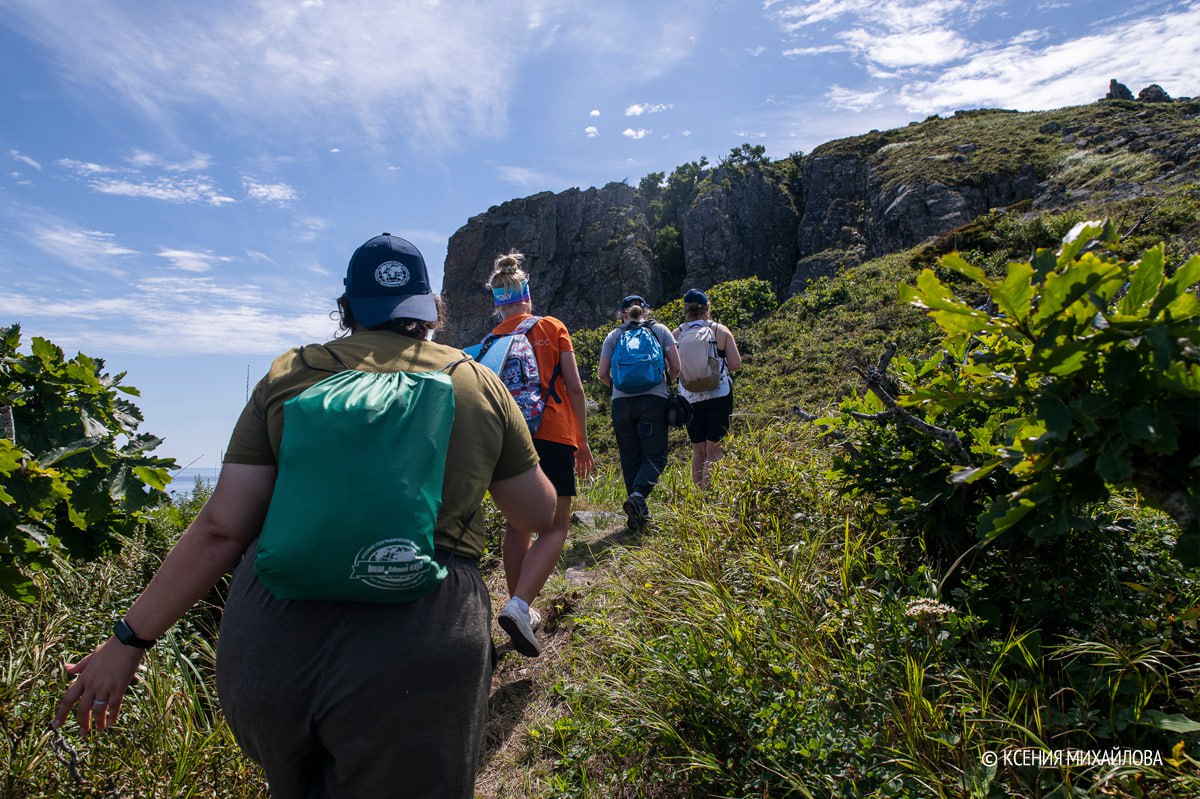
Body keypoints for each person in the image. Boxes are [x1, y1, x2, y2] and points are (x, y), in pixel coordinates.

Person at [53, 233, 557, 799]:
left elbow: (222, 528)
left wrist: (128, 641)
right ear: (430, 311)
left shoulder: (288, 374)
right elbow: (535, 511)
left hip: (271, 644)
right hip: (419, 646)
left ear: (347, 309)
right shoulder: (476, 382)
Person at [481, 251, 595, 658]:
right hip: (552, 434)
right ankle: (520, 605)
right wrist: (581, 440)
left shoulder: (493, 340)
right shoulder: (551, 327)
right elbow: (576, 388)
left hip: (505, 441)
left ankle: (519, 606)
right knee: (556, 525)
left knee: (518, 525)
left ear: (498, 299)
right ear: (527, 293)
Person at [598, 294, 680, 532]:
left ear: (622, 314)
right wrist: (664, 383)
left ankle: (638, 514)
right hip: (653, 401)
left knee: (630, 458)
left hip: (622, 404)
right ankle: (638, 497)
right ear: (646, 311)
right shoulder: (660, 330)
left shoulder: (614, 336)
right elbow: (676, 366)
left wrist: (617, 388)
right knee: (655, 456)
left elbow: (603, 373)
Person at [673, 288, 742, 488]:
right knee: (714, 448)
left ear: (685, 310)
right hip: (719, 394)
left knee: (698, 450)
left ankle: (698, 496)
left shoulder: (676, 334)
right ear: (707, 308)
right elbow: (736, 364)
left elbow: (672, 369)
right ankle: (711, 495)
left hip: (689, 397)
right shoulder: (720, 330)